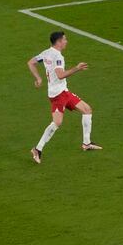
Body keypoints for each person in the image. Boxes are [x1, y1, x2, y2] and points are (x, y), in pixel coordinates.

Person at [27, 31, 102, 164]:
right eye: (65, 39)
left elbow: (31, 63)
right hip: (57, 95)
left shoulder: (45, 53)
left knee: (87, 110)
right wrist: (77, 68)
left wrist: (38, 78)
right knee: (57, 122)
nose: (66, 41)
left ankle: (86, 143)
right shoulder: (58, 57)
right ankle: (37, 149)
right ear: (59, 41)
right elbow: (60, 75)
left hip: (63, 91)